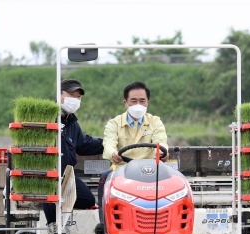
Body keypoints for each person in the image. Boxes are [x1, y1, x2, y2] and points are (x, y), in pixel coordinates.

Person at [97, 81, 168, 225]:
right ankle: (104, 224)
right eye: (133, 101)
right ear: (125, 103)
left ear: (148, 102)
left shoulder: (156, 122)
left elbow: (160, 141)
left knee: (172, 180)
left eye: (142, 101)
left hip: (151, 170)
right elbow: (109, 144)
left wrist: (163, 152)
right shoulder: (114, 123)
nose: (138, 104)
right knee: (104, 178)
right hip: (122, 170)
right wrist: (113, 154)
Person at [43, 79, 103, 226]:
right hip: (49, 176)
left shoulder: (72, 123)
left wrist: (109, 143)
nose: (75, 100)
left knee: (87, 199)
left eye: (78, 97)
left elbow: (84, 145)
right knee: (52, 195)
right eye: (71, 95)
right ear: (59, 95)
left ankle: (65, 217)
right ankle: (53, 226)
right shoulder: (47, 116)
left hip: (67, 175)